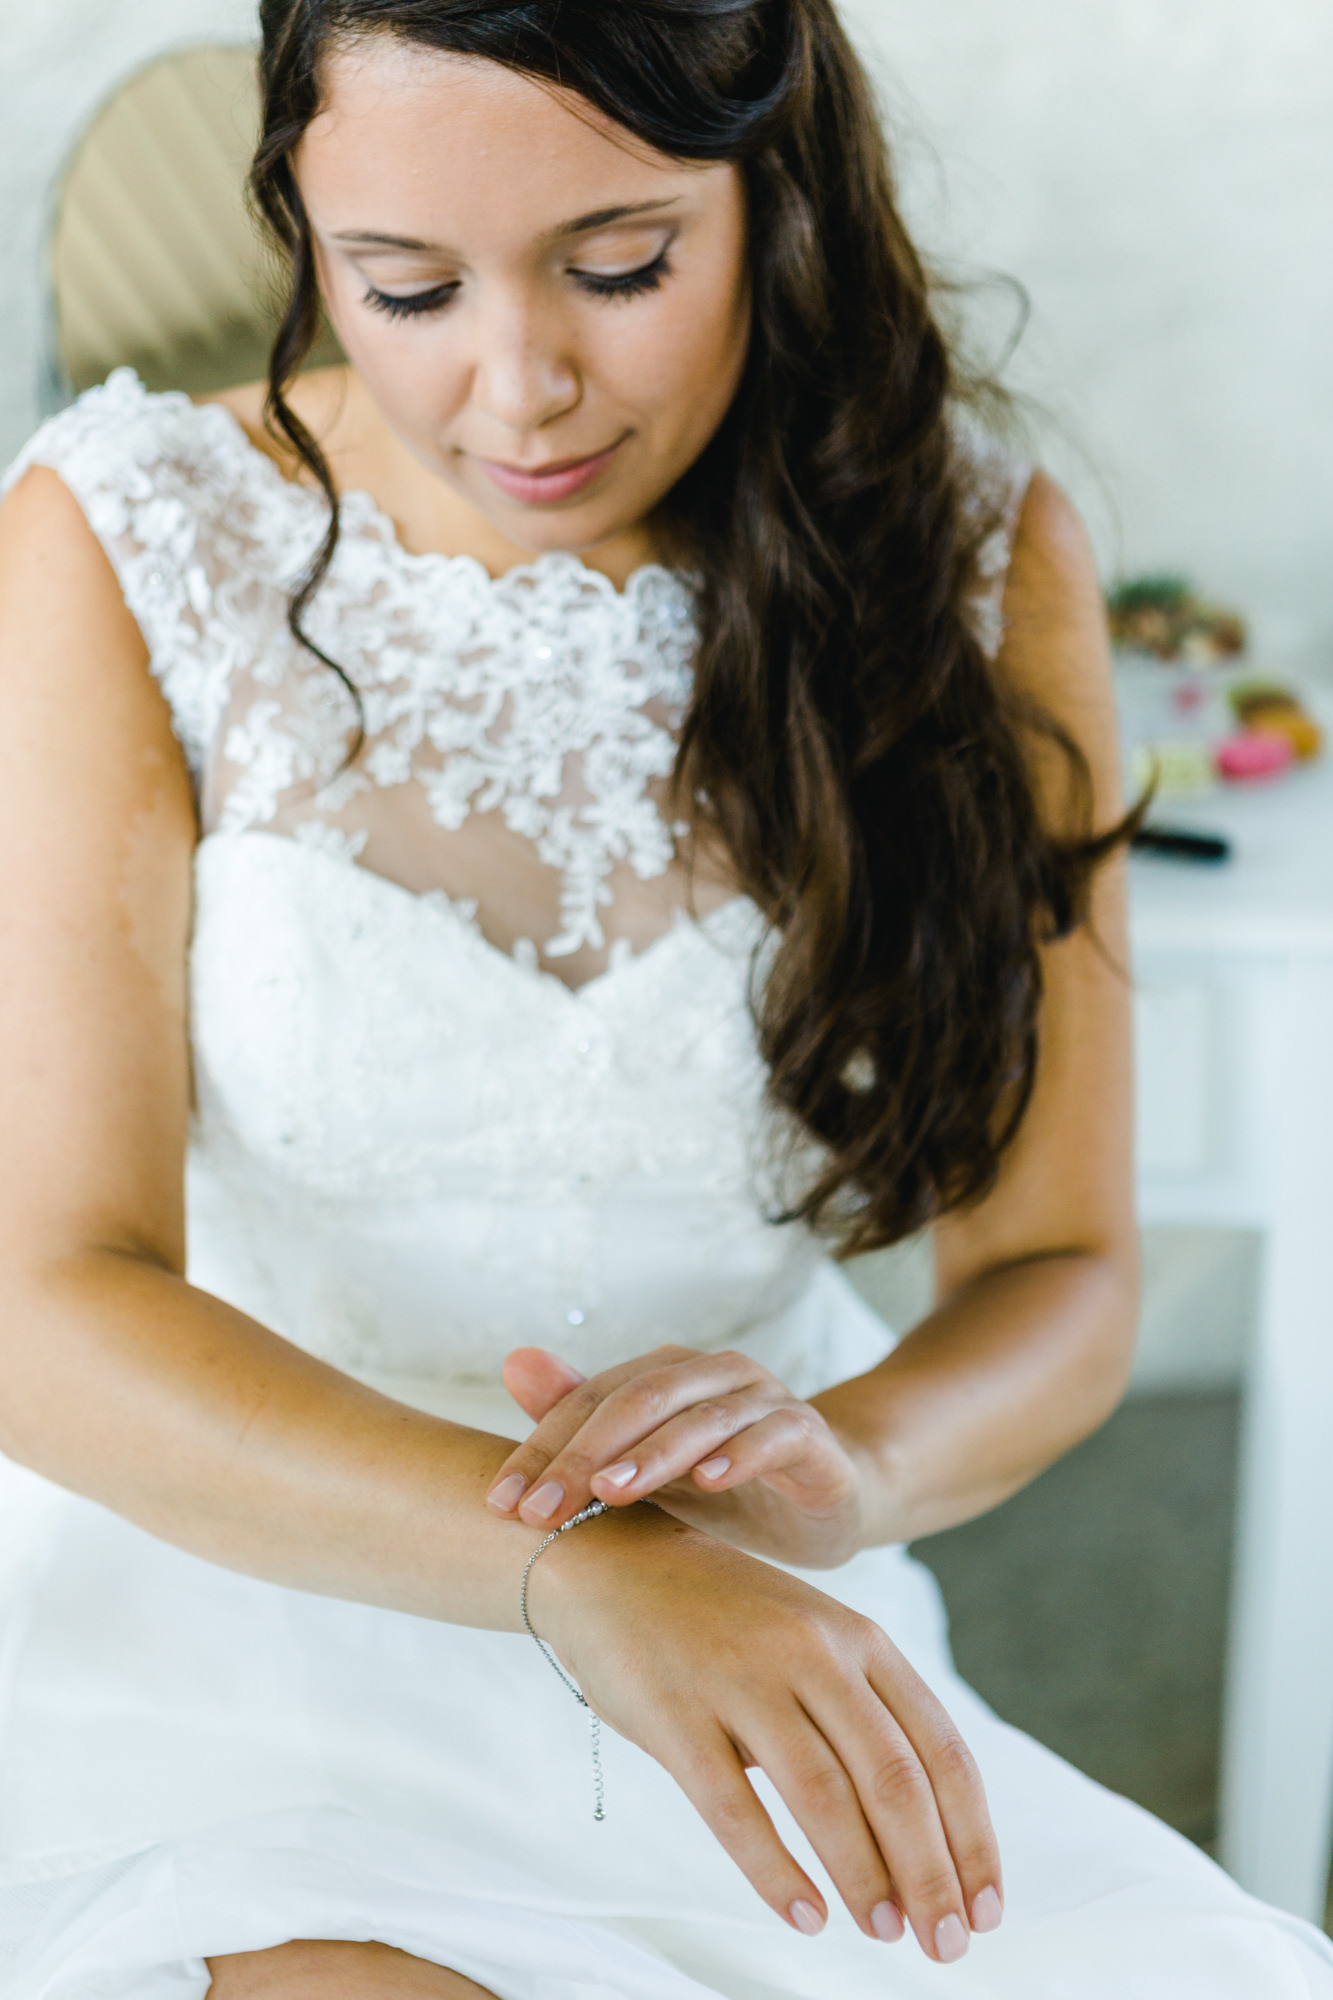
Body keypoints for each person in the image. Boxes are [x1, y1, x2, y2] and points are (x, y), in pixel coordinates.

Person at [0, 3, 1329, 1995]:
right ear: (301, 227)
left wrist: (849, 1471)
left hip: (751, 1607)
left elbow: (1057, 1271)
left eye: (618, 265)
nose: (517, 384)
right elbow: (45, 1303)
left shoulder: (973, 558)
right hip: (221, 1569)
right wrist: (571, 1564)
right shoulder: (131, 534)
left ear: (771, 195)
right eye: (405, 285)